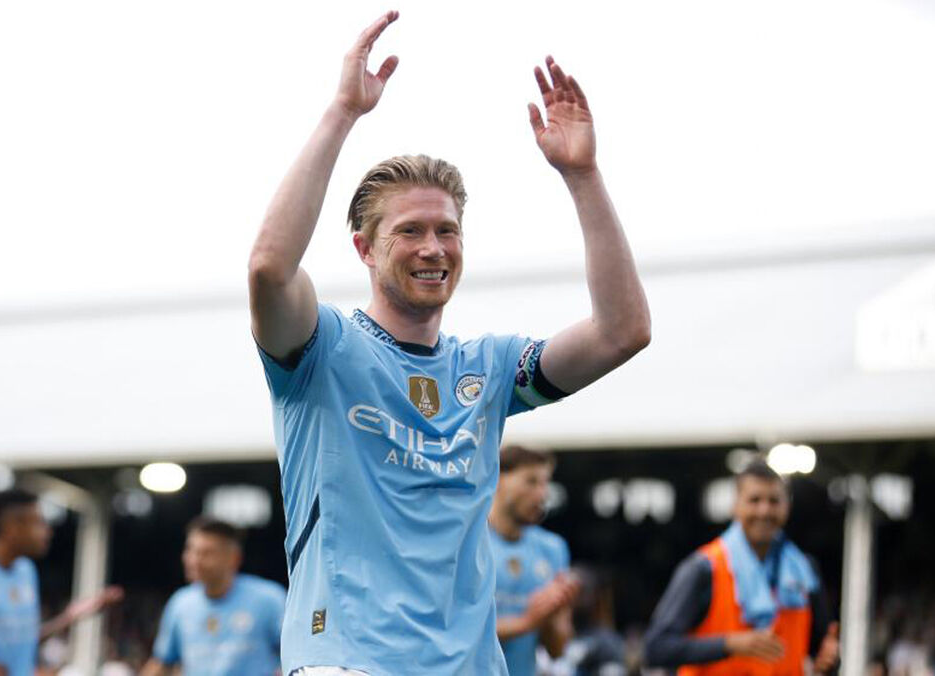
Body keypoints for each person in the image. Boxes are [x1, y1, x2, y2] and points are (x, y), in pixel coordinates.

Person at [247, 11, 650, 675]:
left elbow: (622, 331)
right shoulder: (322, 348)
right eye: (409, 231)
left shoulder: (488, 368)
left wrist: (582, 177)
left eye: (447, 230)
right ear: (365, 249)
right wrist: (344, 112)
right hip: (346, 661)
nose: (433, 247)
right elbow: (269, 268)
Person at [644, 461, 841, 675]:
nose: (764, 511)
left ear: (787, 506)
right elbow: (656, 647)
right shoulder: (705, 567)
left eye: (774, 501)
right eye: (754, 500)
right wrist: (729, 644)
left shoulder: (804, 570)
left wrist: (829, 661)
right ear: (735, 505)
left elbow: (820, 649)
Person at [0, 488, 123, 676]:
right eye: (39, 523)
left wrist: (70, 616)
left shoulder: (25, 570)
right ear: (12, 527)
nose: (48, 532)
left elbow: (25, 640)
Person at [140, 518, 285, 676]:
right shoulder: (180, 603)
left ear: (234, 558)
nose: (194, 560)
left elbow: (295, 650)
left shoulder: (269, 599)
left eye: (206, 553)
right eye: (190, 550)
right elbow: (162, 662)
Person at [488, 445, 580, 676]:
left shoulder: (552, 548)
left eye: (545, 483)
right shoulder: (469, 544)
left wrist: (554, 613)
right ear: (497, 478)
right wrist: (526, 622)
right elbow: (457, 628)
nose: (542, 495)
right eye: (531, 482)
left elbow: (557, 650)